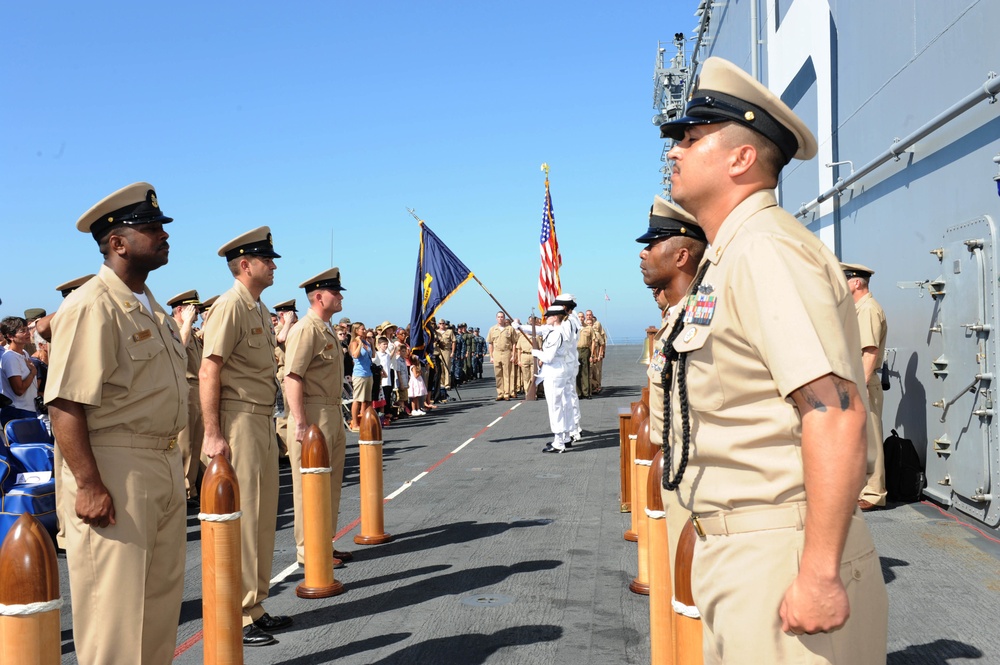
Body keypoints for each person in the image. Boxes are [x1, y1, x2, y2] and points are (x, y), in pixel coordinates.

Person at [657, 56, 887, 662]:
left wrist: (818, 575)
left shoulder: (765, 252)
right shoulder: (731, 256)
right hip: (742, 555)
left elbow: (835, 413)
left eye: (692, 137)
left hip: (781, 557)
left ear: (741, 159)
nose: (674, 151)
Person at [45, 182, 187, 664]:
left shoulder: (153, 306)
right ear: (118, 243)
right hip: (115, 468)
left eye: (162, 227)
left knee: (158, 612)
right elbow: (65, 403)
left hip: (162, 462)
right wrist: (87, 483)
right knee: (115, 622)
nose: (163, 235)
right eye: (150, 228)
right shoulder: (92, 305)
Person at [199, 225, 290, 647]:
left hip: (260, 420)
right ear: (245, 265)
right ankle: (236, 614)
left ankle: (254, 604)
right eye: (267, 260)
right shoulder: (231, 306)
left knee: (262, 516)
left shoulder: (256, 306)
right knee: (244, 517)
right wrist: (213, 432)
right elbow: (209, 369)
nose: (273, 266)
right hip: (238, 421)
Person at [637, 195, 708, 577]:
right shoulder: (676, 319)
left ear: (682, 257)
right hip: (678, 470)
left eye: (652, 244)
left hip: (702, 479)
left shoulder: (706, 313)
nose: (643, 254)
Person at [283, 268, 353, 567]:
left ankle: (324, 542)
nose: (340, 297)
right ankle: (309, 551)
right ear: (319, 296)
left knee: (330, 484)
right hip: (312, 414)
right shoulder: (307, 329)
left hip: (332, 411)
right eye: (335, 292)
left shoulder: (325, 328)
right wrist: (299, 423)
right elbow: (293, 376)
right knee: (309, 488)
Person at [843, 263, 889, 511]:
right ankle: (862, 488)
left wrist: (858, 387)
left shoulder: (869, 309)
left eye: (844, 278)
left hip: (864, 381)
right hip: (856, 379)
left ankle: (873, 493)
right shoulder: (858, 309)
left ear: (856, 282)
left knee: (870, 437)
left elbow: (869, 352)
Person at [167, 289, 205, 503]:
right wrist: (187, 323)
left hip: (198, 388)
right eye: (193, 310)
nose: (196, 314)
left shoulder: (190, 329)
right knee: (186, 441)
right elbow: (179, 348)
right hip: (186, 387)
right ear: (180, 310)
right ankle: (183, 489)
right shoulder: (172, 327)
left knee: (196, 441)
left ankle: (192, 487)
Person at [531, 305, 575, 452]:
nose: (546, 318)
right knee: (560, 405)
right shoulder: (556, 330)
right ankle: (564, 438)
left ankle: (559, 442)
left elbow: (548, 357)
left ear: (555, 317)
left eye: (548, 316)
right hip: (557, 370)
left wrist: (536, 352)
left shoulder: (556, 333)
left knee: (555, 407)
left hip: (554, 372)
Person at [1, 316, 39, 426]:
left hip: (29, 409)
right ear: (10, 336)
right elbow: (19, 390)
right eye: (22, 331)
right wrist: (32, 373)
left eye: (27, 329)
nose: (27, 333)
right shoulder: (10, 357)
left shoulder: (24, 354)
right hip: (18, 412)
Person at [348, 321, 374, 431]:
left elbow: (372, 355)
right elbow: (355, 355)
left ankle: (364, 420)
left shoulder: (366, 342)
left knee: (367, 400)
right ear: (356, 331)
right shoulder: (354, 342)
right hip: (359, 374)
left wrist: (371, 343)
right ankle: (354, 423)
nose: (364, 331)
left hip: (368, 373)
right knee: (358, 399)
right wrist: (358, 344)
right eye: (362, 329)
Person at [486, 311, 515, 400]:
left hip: (506, 352)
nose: (500, 318)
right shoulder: (492, 329)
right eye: (498, 317)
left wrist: (513, 355)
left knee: (507, 373)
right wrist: (491, 356)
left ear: (504, 318)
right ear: (496, 318)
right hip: (497, 353)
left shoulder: (510, 329)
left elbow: (514, 342)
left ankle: (507, 393)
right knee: (498, 374)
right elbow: (490, 343)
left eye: (502, 317)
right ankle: (500, 393)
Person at [586, 311, 606, 394]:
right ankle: (590, 386)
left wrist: (602, 353)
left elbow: (603, 338)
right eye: (587, 315)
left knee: (597, 370)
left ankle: (597, 385)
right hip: (587, 352)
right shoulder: (583, 326)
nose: (589, 316)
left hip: (596, 352)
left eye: (590, 315)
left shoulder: (597, 325)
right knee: (588, 370)